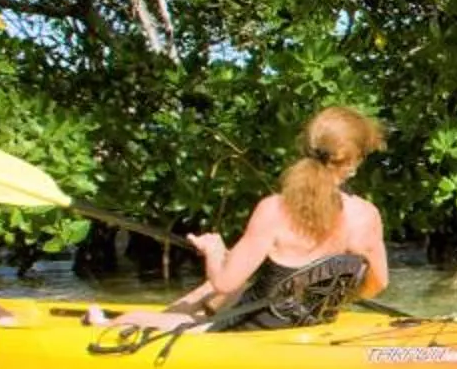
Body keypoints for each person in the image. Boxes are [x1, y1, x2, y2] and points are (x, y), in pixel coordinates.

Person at [97, 108, 391, 331]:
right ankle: (169, 317)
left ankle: (103, 324)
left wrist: (213, 251)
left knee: (133, 319)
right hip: (309, 327)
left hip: (250, 330)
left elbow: (224, 281)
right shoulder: (366, 215)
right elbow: (377, 284)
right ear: (353, 161)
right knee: (215, 293)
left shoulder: (274, 209)